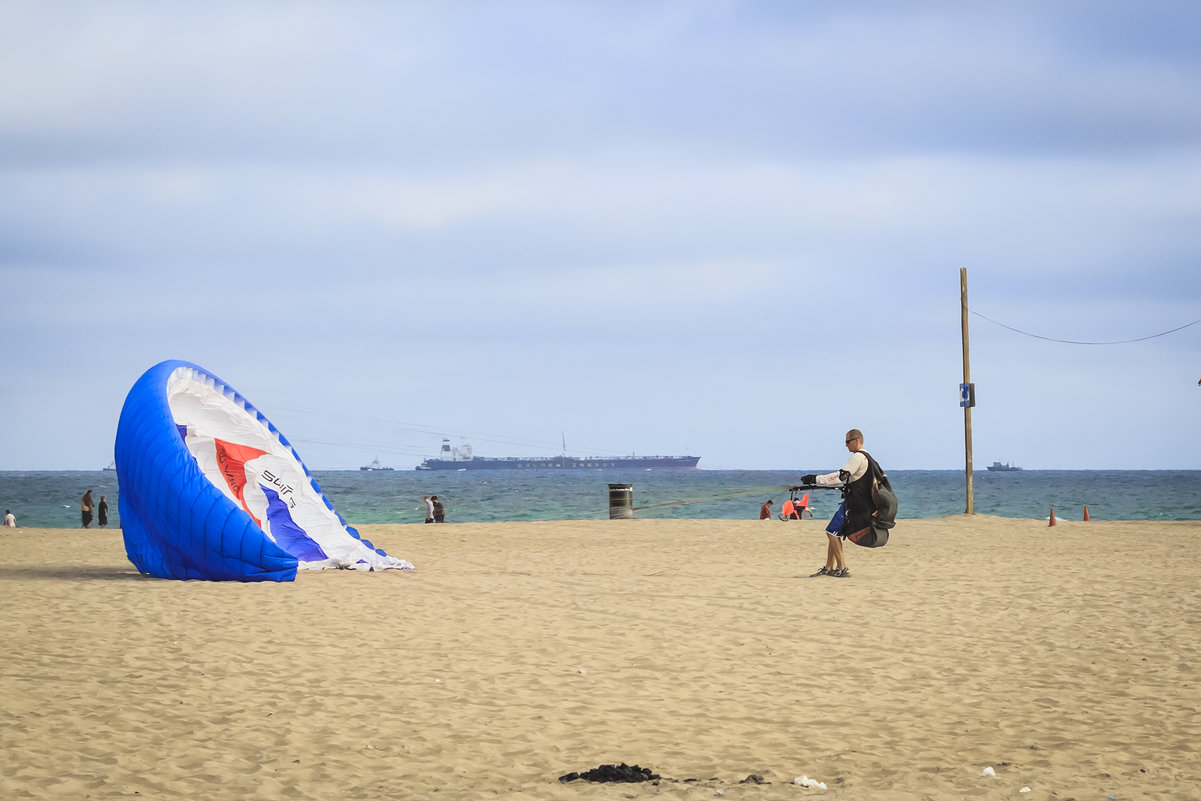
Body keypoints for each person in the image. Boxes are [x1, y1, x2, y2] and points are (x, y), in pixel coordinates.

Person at [800, 428, 878, 578]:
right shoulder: (869, 458)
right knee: (833, 533)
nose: (846, 445)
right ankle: (829, 568)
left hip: (855, 504)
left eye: (848, 442)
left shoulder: (857, 457)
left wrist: (815, 478)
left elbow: (839, 477)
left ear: (856, 441)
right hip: (859, 503)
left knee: (831, 532)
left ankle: (842, 568)